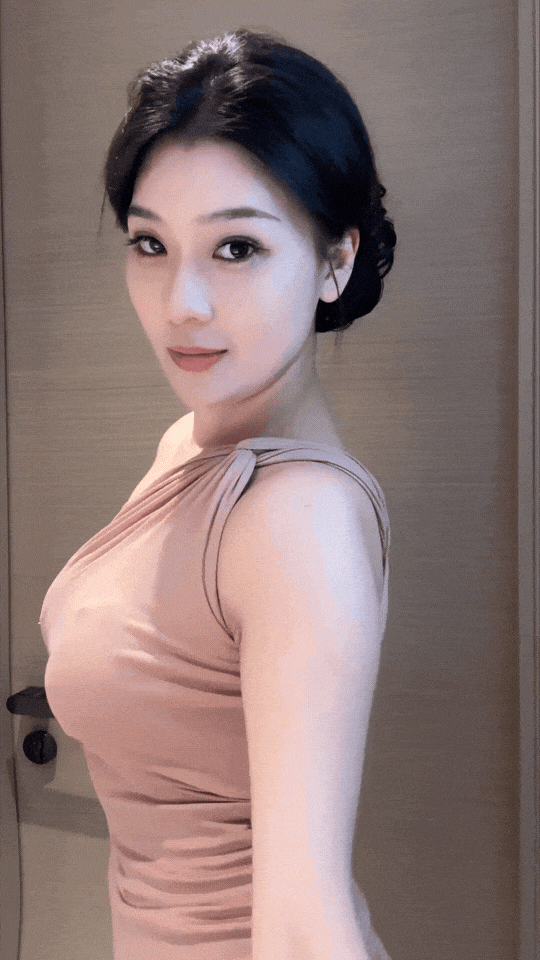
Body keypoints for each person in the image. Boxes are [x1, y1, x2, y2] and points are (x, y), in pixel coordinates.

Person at [41, 28, 396, 960]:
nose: (181, 303)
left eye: (237, 247)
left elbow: (305, 925)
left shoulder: (296, 517)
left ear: (335, 260)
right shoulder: (193, 442)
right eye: (151, 243)